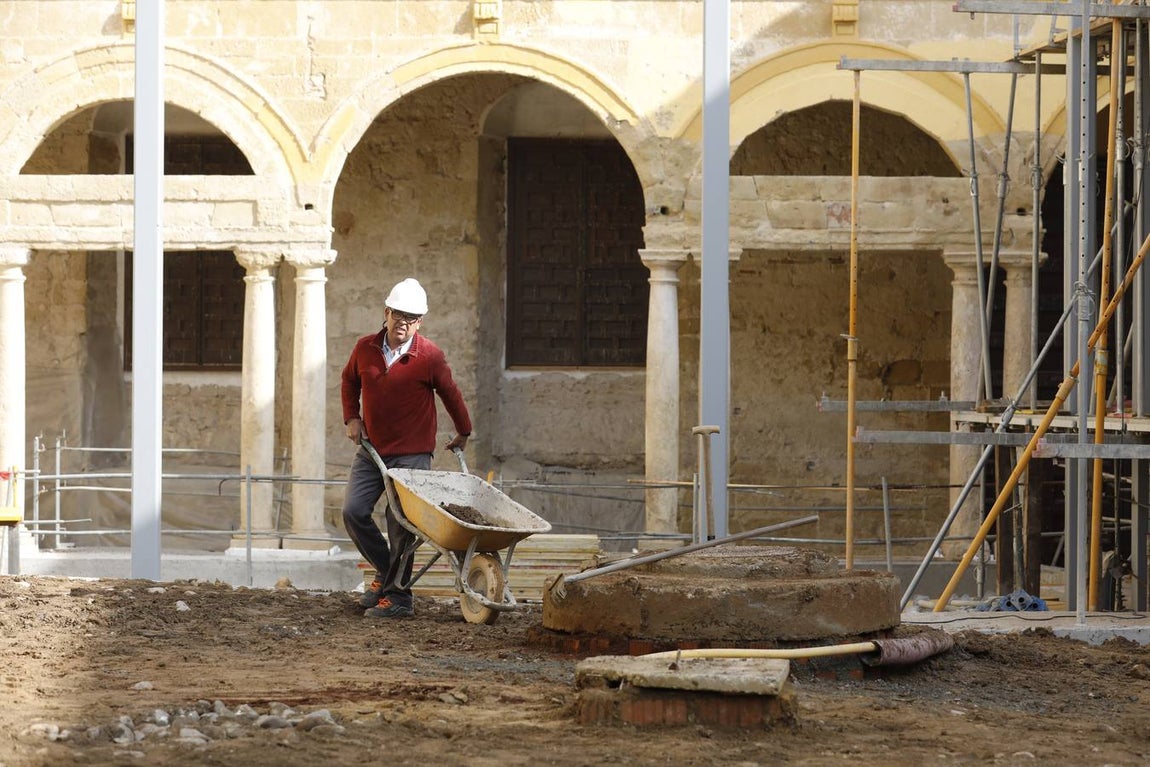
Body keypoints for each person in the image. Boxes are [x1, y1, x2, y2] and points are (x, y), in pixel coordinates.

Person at [340, 277, 472, 618]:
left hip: (412, 455)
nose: (403, 322)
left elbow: (451, 393)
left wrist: (464, 431)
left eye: (411, 318)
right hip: (372, 450)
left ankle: (399, 597)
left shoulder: (429, 356)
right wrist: (352, 417)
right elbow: (349, 380)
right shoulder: (364, 349)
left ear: (420, 322)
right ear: (386, 312)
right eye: (398, 314)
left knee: (398, 521)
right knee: (353, 511)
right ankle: (387, 574)